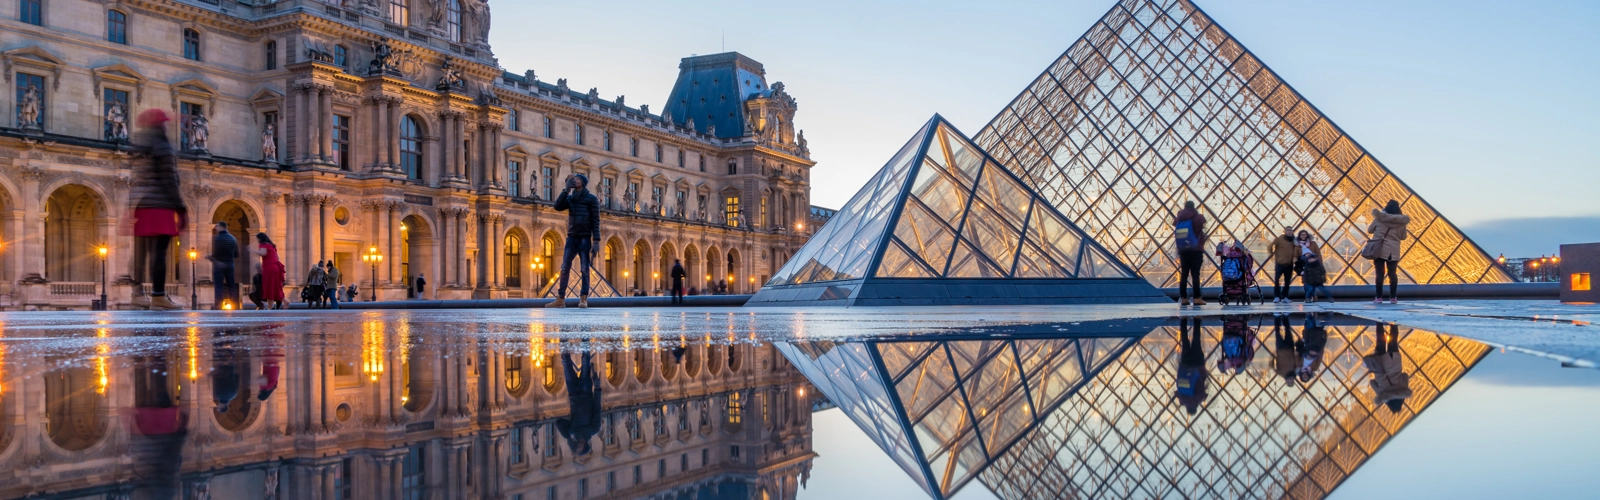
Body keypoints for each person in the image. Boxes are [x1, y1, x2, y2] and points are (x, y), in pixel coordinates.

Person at [128, 109, 188, 310]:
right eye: (164, 123)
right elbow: (169, 179)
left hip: (140, 205)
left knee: (141, 252)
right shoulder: (163, 147)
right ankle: (159, 296)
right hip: (160, 204)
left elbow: (135, 179)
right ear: (160, 126)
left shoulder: (139, 148)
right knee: (159, 253)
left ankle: (137, 295)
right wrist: (180, 208)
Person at [547, 173, 601, 309]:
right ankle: (560, 298)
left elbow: (596, 221)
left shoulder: (591, 199)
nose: (574, 180)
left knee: (584, 269)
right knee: (564, 268)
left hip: (584, 237)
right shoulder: (571, 198)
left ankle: (583, 298)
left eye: (577, 179)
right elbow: (557, 206)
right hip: (571, 236)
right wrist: (566, 190)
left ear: (583, 182)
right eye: (573, 179)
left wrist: (596, 241)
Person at [555, 349, 602, 455]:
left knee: (566, 362)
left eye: (576, 448)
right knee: (585, 360)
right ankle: (585, 334)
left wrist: (568, 438)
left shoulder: (572, 431)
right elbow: (597, 408)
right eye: (579, 449)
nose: (577, 447)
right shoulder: (593, 429)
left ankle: (563, 337)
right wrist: (597, 388)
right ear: (585, 446)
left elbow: (559, 423)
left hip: (573, 393)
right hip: (586, 392)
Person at [1366, 200, 1412, 304]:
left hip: (1379, 249)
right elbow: (1403, 237)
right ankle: (1393, 298)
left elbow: (1370, 230)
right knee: (1392, 273)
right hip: (1393, 250)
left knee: (1379, 273)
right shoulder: (1401, 222)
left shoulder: (1379, 218)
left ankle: (1379, 297)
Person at [1363, 322, 1413, 412]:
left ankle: (1393, 322)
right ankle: (1379, 322)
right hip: (1380, 364)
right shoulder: (1381, 393)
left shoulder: (1403, 389)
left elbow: (1405, 375)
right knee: (1380, 341)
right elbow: (1372, 382)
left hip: (1394, 361)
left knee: (1393, 341)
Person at [1173, 201, 1208, 306]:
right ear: (1193, 207)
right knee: (1195, 274)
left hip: (1183, 250)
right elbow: (1204, 225)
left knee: (1184, 274)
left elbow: (1174, 223)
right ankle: (1197, 298)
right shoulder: (1198, 217)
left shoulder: (1179, 217)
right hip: (1195, 249)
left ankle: (1183, 298)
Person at [1174, 317, 1208, 415]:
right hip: (1185, 364)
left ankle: (1197, 321)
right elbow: (1176, 392)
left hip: (1198, 365)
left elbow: (1204, 392)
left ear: (1195, 408)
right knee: (1184, 342)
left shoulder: (1198, 398)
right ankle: (1183, 322)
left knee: (1197, 340)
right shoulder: (1182, 399)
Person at [208, 222, 240, 310]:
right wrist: (230, 259)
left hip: (220, 264)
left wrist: (211, 257)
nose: (216, 228)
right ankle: (235, 304)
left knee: (219, 285)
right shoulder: (233, 238)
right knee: (231, 285)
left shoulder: (219, 238)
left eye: (217, 226)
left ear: (222, 227)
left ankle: (218, 305)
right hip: (230, 264)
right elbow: (237, 254)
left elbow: (217, 252)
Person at [252, 233, 286, 309]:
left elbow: (263, 253)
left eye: (257, 239)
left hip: (269, 268)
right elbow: (278, 257)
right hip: (276, 267)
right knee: (275, 287)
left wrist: (253, 250)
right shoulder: (272, 246)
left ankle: (270, 307)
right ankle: (283, 302)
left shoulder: (263, 245)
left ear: (260, 239)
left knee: (268, 287)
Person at [1296, 230, 1331, 303]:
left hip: (1315, 265)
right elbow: (1295, 256)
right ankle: (1309, 297)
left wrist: (1320, 263)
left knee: (1313, 282)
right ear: (1299, 236)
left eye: (1305, 234)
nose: (1303, 236)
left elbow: (1318, 253)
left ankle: (1311, 297)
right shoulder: (1297, 246)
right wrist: (1296, 263)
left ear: (1307, 235)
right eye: (1302, 235)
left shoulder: (1313, 243)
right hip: (1304, 265)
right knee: (1306, 283)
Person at [1266, 226, 1297, 303]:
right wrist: (1272, 254)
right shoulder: (1279, 239)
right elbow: (1270, 246)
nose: (1290, 232)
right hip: (1280, 263)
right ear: (1285, 231)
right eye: (1288, 230)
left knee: (1287, 282)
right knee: (1276, 280)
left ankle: (1285, 296)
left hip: (1289, 264)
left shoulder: (1294, 241)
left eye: (1291, 230)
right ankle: (1277, 296)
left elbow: (1298, 249)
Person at [1297, 313, 1329, 383]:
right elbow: (1320, 356)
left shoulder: (1299, 364)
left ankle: (1310, 315)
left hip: (1307, 342)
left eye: (1303, 377)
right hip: (1316, 344)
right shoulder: (1315, 367)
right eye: (1306, 378)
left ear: (1301, 375)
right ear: (1308, 376)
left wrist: (1301, 342)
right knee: (1317, 327)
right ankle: (1311, 315)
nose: (1305, 376)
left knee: (1310, 327)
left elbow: (1296, 352)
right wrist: (1322, 345)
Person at [1272, 314, 1298, 384]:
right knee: (1288, 330)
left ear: (1286, 381)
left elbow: (1271, 366)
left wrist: (1273, 357)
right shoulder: (1295, 371)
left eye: (1290, 381)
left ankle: (1277, 317)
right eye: (1292, 381)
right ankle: (1285, 317)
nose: (1291, 380)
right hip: (1290, 348)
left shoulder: (1280, 373)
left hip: (1281, 349)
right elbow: (1297, 362)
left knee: (1277, 331)